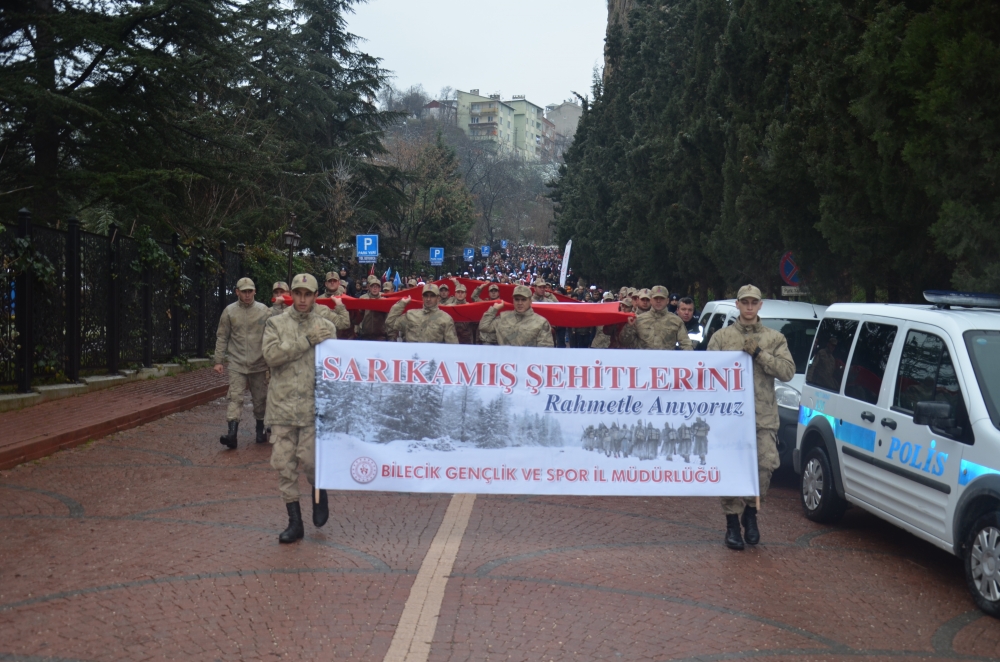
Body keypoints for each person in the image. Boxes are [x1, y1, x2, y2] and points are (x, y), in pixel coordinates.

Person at [707, 284, 795, 550]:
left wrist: (759, 354)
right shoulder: (721, 338)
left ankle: (751, 513)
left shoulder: (774, 338)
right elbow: (707, 374)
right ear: (737, 304)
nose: (748, 306)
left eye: (753, 302)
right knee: (730, 470)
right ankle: (732, 523)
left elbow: (788, 371)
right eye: (744, 302)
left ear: (759, 306)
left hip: (762, 416)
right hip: (729, 418)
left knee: (765, 466)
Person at [262, 273, 338, 543]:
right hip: (281, 405)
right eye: (298, 293)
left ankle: (320, 489)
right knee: (284, 464)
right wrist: (306, 341)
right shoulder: (275, 323)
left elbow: (335, 367)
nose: (303, 299)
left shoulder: (326, 326)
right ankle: (295, 522)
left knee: (309, 461)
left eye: (308, 294)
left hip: (312, 407)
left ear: (315, 296)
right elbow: (271, 356)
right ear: (290, 295)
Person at [214, 278, 276, 448]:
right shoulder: (229, 312)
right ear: (237, 292)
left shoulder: (264, 311)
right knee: (235, 398)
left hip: (259, 362)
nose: (247, 295)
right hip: (237, 362)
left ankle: (260, 429)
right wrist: (218, 360)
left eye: (250, 291)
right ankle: (232, 433)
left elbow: (274, 332)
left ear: (254, 291)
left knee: (260, 399)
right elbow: (222, 336)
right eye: (244, 291)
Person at [619, 285, 693, 350]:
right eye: (656, 298)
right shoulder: (638, 319)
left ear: (667, 301)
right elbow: (624, 342)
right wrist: (629, 326)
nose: (658, 301)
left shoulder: (676, 321)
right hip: (643, 362)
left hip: (667, 363)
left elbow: (686, 345)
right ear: (651, 300)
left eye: (661, 298)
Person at [479, 285, 555, 347]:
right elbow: (484, 327)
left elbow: (545, 350)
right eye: (517, 299)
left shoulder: (541, 322)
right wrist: (493, 309)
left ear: (530, 301)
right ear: (513, 300)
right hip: (506, 363)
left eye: (523, 299)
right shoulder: (504, 317)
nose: (520, 303)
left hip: (528, 363)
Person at [386, 283, 459, 344]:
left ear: (438, 298)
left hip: (433, 359)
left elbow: (453, 346)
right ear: (422, 297)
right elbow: (390, 323)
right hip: (412, 358)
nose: (428, 299)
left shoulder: (445, 319)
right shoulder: (411, 315)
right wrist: (401, 304)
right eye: (426, 296)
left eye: (432, 296)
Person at [356, 275, 388, 341]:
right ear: (369, 288)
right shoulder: (363, 299)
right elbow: (358, 316)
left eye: (377, 286)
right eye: (373, 286)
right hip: (365, 335)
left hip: (380, 336)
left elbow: (388, 318)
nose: (375, 288)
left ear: (380, 288)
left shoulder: (384, 300)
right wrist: (357, 330)